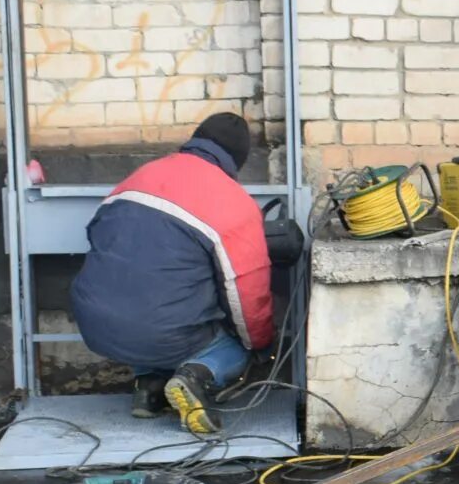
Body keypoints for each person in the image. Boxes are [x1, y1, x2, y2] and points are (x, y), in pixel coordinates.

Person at [69, 113, 300, 437]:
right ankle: (196, 376)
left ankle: (148, 388)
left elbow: (99, 238)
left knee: (151, 301)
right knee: (236, 342)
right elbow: (246, 297)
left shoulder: (137, 178)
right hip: (162, 331)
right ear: (237, 160)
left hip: (95, 326)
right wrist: (261, 344)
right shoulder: (233, 201)